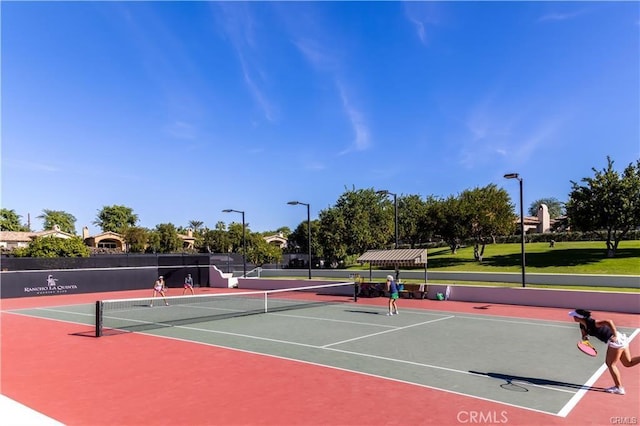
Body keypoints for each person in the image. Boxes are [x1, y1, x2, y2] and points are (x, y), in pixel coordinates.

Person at [569, 309, 640, 395]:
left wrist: (615, 336)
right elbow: (584, 336)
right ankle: (619, 387)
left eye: (574, 316)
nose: (573, 317)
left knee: (610, 364)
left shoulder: (592, 322)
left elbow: (609, 321)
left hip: (615, 341)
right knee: (628, 363)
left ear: (578, 317)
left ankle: (619, 388)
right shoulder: (582, 325)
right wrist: (585, 339)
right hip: (621, 339)